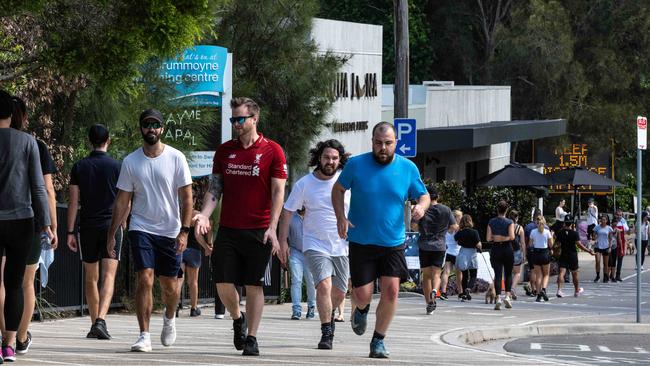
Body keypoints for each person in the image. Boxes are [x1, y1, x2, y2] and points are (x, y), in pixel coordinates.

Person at [194, 97, 287, 356]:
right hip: (229, 228)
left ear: (254, 119)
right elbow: (215, 189)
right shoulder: (224, 151)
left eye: (240, 119)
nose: (235, 123)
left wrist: (273, 227)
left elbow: (279, 191)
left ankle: (253, 338)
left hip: (259, 229)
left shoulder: (273, 150)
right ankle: (237, 317)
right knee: (223, 282)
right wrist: (203, 215)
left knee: (254, 284)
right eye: (233, 119)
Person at [332, 122, 429, 358]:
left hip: (392, 242)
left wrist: (421, 207)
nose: (383, 147)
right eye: (378, 143)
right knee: (362, 294)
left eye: (388, 143)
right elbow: (338, 189)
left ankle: (378, 340)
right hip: (361, 241)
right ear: (372, 142)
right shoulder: (356, 164)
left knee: (392, 291)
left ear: (396, 142)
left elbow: (423, 195)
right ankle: (361, 310)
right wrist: (341, 219)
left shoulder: (407, 168)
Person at [107, 109, 193, 352]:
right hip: (141, 227)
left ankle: (169, 317)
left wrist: (185, 231)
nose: (151, 129)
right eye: (147, 125)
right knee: (144, 277)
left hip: (171, 230)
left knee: (170, 287)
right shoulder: (131, 161)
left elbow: (187, 198)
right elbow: (122, 201)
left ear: (162, 129)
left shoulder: (176, 158)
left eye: (155, 125)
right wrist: (112, 232)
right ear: (141, 129)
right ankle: (144, 334)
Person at [279, 139, 350, 350]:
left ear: (340, 160)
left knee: (340, 292)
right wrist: (283, 240)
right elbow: (288, 211)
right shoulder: (304, 184)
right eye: (327, 157)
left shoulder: (346, 182)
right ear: (319, 158)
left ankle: (328, 316)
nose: (330, 161)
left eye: (335, 158)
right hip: (314, 243)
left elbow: (358, 209)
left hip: (341, 245)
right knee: (324, 286)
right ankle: (326, 331)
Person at [0, 89, 52, 362]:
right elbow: (39, 188)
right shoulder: (28, 142)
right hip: (22, 221)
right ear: (11, 113)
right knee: (16, 284)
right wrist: (46, 224)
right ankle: (9, 345)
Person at [66, 124, 122, 341]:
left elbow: (73, 202)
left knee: (91, 277)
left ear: (90, 141)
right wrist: (122, 222)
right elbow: (124, 200)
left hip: (87, 226)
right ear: (108, 140)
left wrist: (70, 231)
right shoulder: (118, 166)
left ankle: (94, 323)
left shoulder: (79, 167)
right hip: (111, 227)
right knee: (109, 275)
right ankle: (101, 320)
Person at [417, 187, 457, 314]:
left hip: (424, 245)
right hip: (439, 246)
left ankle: (429, 303)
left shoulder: (421, 209)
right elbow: (454, 226)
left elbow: (413, 225)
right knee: (436, 274)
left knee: (426, 276)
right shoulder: (446, 209)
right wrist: (446, 230)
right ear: (437, 197)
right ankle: (435, 290)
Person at [176, 208, 212, 318]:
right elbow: (198, 235)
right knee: (193, 282)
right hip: (194, 251)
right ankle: (193, 308)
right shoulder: (197, 215)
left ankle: (175, 306)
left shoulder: (179, 212)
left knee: (179, 280)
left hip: (180, 248)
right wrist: (207, 246)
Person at [284, 209, 316, 320]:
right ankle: (296, 310)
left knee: (311, 282)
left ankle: (311, 306)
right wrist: (286, 246)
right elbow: (285, 235)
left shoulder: (313, 215)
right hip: (295, 252)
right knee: (296, 280)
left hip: (310, 253)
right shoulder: (291, 217)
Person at [555, 214, 594, 298]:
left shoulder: (560, 233)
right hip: (572, 255)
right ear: (572, 223)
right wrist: (588, 251)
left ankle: (559, 290)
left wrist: (555, 250)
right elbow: (579, 245)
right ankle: (576, 291)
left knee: (561, 273)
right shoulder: (574, 233)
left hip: (563, 254)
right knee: (574, 274)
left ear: (564, 222)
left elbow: (557, 245)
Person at [486, 200, 515, 310]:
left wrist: (496, 237)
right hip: (507, 248)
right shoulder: (510, 222)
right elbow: (512, 237)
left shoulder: (491, 222)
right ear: (506, 210)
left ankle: (498, 297)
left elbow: (488, 238)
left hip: (496, 248)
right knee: (508, 273)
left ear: (497, 209)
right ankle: (507, 296)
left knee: (498, 274)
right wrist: (504, 238)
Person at [454, 214, 481, 301]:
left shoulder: (460, 233)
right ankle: (469, 288)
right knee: (473, 274)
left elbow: (457, 241)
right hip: (472, 254)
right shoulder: (474, 232)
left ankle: (465, 294)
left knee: (464, 275)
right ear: (470, 221)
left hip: (462, 253)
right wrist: (479, 248)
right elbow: (478, 244)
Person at [440, 210, 462, 301]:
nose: (461, 219)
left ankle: (443, 292)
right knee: (459, 274)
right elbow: (458, 241)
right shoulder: (458, 228)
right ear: (456, 217)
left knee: (446, 272)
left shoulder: (445, 226)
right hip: (457, 252)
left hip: (447, 252)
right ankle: (461, 293)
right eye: (460, 217)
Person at [523, 211, 544, 297]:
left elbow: (526, 241)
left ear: (533, 216)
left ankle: (533, 289)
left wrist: (525, 251)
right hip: (542, 251)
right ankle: (540, 289)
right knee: (540, 272)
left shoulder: (528, 227)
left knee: (532, 270)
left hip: (531, 250)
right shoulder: (545, 226)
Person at [509, 210, 526, 300]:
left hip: (507, 250)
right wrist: (524, 254)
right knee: (517, 273)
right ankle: (512, 288)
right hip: (516, 251)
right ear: (517, 218)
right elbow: (522, 243)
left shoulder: (507, 226)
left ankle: (508, 291)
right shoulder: (520, 228)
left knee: (508, 272)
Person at [593, 215, 614, 283]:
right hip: (598, 246)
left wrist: (610, 247)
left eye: (604, 220)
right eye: (602, 220)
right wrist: (595, 239)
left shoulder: (609, 228)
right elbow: (594, 235)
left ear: (606, 221)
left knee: (605, 263)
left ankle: (605, 276)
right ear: (600, 220)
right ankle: (597, 276)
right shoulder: (597, 227)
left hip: (606, 246)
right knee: (598, 261)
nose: (603, 221)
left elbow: (610, 239)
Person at [612, 210, 628, 282]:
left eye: (620, 215)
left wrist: (623, 222)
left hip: (621, 242)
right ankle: (612, 275)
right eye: (617, 215)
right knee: (613, 260)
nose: (619, 216)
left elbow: (627, 229)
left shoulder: (623, 222)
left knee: (620, 260)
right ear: (615, 215)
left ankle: (618, 275)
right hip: (614, 243)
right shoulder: (613, 222)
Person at [607, 217, 624, 283]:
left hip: (615, 247)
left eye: (616, 222)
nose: (615, 224)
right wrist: (609, 247)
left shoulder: (617, 230)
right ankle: (607, 276)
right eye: (614, 222)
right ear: (612, 223)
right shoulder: (609, 229)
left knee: (614, 262)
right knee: (609, 262)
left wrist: (621, 249)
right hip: (608, 247)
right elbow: (608, 238)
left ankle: (613, 277)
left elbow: (619, 240)